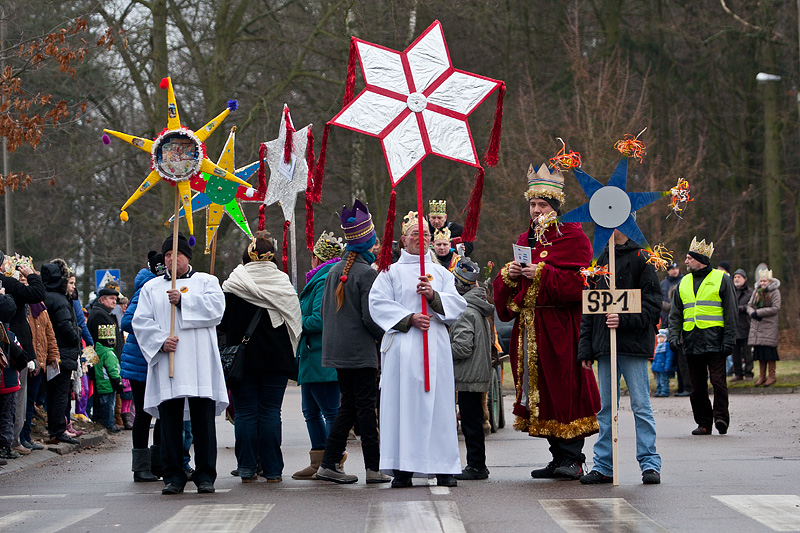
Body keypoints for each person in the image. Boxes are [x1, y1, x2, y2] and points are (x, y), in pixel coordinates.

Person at [493, 163, 600, 480]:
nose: (536, 210)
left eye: (542, 204)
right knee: (540, 394)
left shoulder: (573, 237)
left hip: (562, 328)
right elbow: (508, 296)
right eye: (533, 204)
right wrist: (509, 276)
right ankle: (556, 456)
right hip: (531, 329)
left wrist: (543, 274)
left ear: (555, 207)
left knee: (565, 389)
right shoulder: (523, 239)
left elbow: (583, 284)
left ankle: (573, 458)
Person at [369, 210, 467, 488]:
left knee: (439, 406)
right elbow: (377, 304)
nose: (420, 239)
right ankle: (403, 468)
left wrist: (434, 297)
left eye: (425, 235)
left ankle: (443, 467)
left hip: (434, 345)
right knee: (403, 406)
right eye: (415, 234)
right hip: (403, 347)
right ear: (403, 240)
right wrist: (409, 317)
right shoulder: (390, 271)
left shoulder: (438, 272)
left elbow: (457, 304)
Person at [132, 233, 228, 495]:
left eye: (177, 254)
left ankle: (205, 475)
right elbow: (140, 322)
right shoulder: (152, 288)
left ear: (188, 256)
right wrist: (161, 341)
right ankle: (173, 475)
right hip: (169, 363)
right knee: (170, 422)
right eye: (167, 255)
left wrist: (184, 300)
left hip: (199, 363)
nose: (172, 259)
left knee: (203, 422)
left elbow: (217, 310)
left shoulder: (207, 281)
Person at [577, 228, 662, 485]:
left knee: (641, 406)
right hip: (605, 346)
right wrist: (586, 348)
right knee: (606, 409)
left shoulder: (642, 258)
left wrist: (623, 319)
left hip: (633, 345)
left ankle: (650, 464)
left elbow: (652, 304)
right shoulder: (599, 260)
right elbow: (591, 308)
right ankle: (603, 465)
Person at [315, 200, 389, 485]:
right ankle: (373, 467)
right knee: (366, 409)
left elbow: (324, 313)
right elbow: (371, 318)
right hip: (360, 353)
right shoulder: (366, 273)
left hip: (337, 352)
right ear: (368, 242)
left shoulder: (334, 270)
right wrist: (388, 337)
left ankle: (329, 462)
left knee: (349, 407)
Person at [220, 232, 302, 483]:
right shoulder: (283, 284)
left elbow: (223, 324)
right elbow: (293, 321)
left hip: (241, 360)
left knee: (245, 413)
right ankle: (273, 469)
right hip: (276, 359)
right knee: (269, 412)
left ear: (247, 256)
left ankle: (246, 467)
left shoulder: (233, 284)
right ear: (272, 257)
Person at [668, 237, 736, 436]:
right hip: (691, 341)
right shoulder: (683, 282)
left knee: (718, 382)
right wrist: (674, 336)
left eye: (689, 258)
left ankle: (721, 418)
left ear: (701, 260)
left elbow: (731, 312)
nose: (686, 262)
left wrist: (729, 340)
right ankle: (704, 423)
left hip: (716, 340)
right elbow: (675, 314)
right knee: (696, 387)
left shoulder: (722, 279)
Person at [293, 231, 344, 480]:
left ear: (317, 258)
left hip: (322, 355)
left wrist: (294, 320)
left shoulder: (325, 280)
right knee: (311, 411)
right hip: (311, 355)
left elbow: (318, 319)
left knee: (329, 410)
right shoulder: (321, 277)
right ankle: (318, 461)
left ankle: (333, 460)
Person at [121, 251, 165, 482]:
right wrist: (156, 328)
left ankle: (159, 463)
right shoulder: (145, 289)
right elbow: (128, 320)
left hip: (158, 359)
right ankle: (140, 467)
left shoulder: (166, 286)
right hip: (141, 360)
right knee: (144, 414)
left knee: (162, 413)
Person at [449, 257, 493, 481]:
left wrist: (441, 348)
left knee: (470, 423)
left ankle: (476, 466)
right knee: (473, 421)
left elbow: (462, 348)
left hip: (467, 376)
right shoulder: (477, 308)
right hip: (476, 374)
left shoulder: (465, 311)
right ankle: (477, 464)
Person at [1, 253, 46, 457]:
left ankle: (13, 439)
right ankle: (13, 440)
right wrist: (30, 275)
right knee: (15, 397)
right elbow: (37, 293)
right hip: (13, 347)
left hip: (13, 346)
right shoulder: (7, 284)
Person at [41, 262, 81, 445]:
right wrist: (76, 337)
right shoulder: (59, 300)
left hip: (50, 352)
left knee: (52, 393)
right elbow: (66, 325)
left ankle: (55, 429)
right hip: (62, 353)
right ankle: (58, 430)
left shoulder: (45, 297)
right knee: (60, 394)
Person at [22, 287, 59, 450]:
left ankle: (26, 435)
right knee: (21, 402)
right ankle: (19, 437)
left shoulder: (41, 309)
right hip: (26, 361)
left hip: (40, 361)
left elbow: (49, 335)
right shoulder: (21, 307)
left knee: (30, 401)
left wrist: (54, 357)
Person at [660, 261, 691, 396]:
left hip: (682, 331)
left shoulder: (685, 281)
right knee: (676, 361)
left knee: (684, 362)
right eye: (672, 269)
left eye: (677, 268)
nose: (675, 271)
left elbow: (672, 308)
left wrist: (657, 302)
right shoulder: (663, 284)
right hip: (669, 327)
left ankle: (687, 387)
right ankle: (680, 387)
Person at [747, 269, 781, 387]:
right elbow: (750, 305)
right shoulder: (756, 291)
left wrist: (759, 313)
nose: (762, 283)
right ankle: (762, 376)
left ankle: (772, 376)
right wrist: (752, 313)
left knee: (769, 352)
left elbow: (776, 307)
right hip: (757, 326)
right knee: (760, 352)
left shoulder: (775, 291)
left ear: (769, 281)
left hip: (769, 326)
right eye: (761, 281)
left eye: (764, 280)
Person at [93, 323, 124, 433]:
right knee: (109, 406)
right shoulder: (109, 353)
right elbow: (113, 370)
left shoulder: (97, 350)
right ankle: (109, 424)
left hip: (100, 382)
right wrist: (118, 382)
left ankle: (103, 422)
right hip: (109, 384)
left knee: (103, 405)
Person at [730, 269, 754, 381]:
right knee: (735, 353)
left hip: (746, 325)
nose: (737, 279)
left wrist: (739, 309)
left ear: (744, 279)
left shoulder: (750, 292)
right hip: (733, 326)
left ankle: (749, 372)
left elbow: (750, 306)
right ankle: (738, 373)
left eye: (739, 277)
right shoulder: (730, 292)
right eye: (735, 277)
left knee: (747, 351)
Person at [652, 329, 675, 397]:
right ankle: (659, 391)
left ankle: (664, 391)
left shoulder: (667, 346)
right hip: (657, 367)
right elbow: (655, 358)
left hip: (663, 367)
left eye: (662, 337)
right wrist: (653, 366)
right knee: (658, 380)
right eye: (659, 337)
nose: (660, 339)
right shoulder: (658, 347)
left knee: (664, 380)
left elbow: (669, 358)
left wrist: (667, 367)